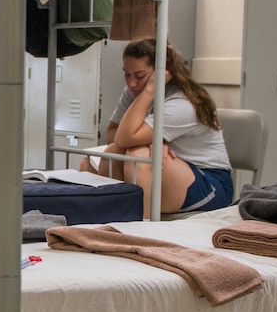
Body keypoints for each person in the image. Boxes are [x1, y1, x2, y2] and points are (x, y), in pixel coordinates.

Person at [92, 41, 234, 217]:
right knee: (113, 153)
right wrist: (153, 139)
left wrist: (150, 90)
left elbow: (124, 137)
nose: (132, 83)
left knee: (139, 156)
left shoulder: (182, 104)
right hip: (179, 170)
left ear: (163, 73)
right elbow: (113, 136)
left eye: (140, 75)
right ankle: (111, 220)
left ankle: (141, 227)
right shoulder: (132, 92)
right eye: (127, 75)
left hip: (212, 183)